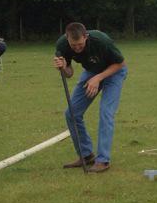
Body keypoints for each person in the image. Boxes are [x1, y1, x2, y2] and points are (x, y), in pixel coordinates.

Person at [53, 22, 128, 174]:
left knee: (106, 112)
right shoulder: (62, 45)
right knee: (72, 113)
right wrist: (63, 67)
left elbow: (120, 64)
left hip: (114, 72)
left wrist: (98, 78)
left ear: (85, 36)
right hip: (92, 71)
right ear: (67, 38)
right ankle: (86, 156)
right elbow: (69, 74)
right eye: (73, 45)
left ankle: (103, 160)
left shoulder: (101, 40)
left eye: (80, 44)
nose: (77, 48)